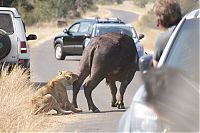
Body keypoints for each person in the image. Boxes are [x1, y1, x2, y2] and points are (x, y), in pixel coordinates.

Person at [153, 0, 182, 65]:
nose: (157, 24)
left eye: (158, 20)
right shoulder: (192, 26)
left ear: (160, 20)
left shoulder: (164, 38)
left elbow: (156, 69)